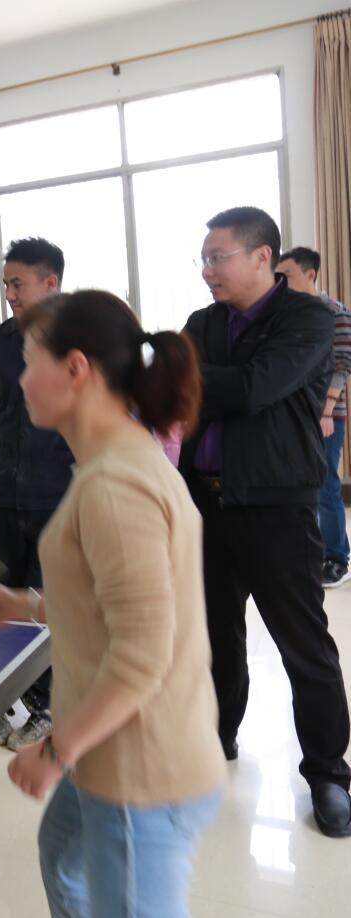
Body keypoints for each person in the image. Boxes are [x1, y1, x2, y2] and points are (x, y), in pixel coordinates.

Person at [0, 289, 225, 915]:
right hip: (107, 742)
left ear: (75, 369)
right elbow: (104, 602)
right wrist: (18, 604)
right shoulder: (110, 463)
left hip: (139, 769)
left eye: (29, 363)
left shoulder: (115, 486)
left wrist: (55, 750)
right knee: (62, 855)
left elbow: (140, 656)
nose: (19, 380)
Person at [181, 207, 351, 837]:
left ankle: (329, 774)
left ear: (261, 257)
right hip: (205, 504)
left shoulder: (309, 318)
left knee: (303, 645)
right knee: (214, 636)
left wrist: (195, 381)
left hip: (277, 506)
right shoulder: (203, 323)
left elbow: (256, 388)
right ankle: (216, 737)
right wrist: (196, 383)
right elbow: (175, 390)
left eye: (217, 257)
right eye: (203, 259)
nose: (207, 270)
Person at [0, 237, 74, 752]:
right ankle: (5, 697)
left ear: (50, 282)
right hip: (8, 496)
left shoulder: (79, 337)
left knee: (48, 605)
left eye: (18, 283)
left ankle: (49, 707)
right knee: (1, 597)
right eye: (6, 283)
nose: (9, 293)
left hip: (59, 496)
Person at [276, 246, 351, 587]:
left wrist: (327, 411)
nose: (281, 283)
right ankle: (312, 551)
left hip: (326, 414)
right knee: (301, 485)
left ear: (310, 275)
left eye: (287, 276)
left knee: (325, 485)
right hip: (297, 412)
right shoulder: (287, 315)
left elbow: (342, 365)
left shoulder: (335, 312)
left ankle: (337, 559)